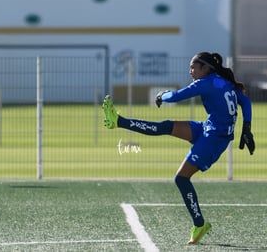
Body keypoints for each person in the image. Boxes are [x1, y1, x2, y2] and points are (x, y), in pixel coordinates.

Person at [102, 51, 255, 245]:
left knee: (181, 179)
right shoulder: (223, 82)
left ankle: (200, 224)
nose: (190, 71)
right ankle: (118, 121)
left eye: (193, 67)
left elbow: (176, 96)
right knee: (165, 126)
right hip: (208, 128)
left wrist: (162, 95)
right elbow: (246, 102)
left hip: (213, 140)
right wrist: (247, 128)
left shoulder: (205, 83)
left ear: (205, 68)